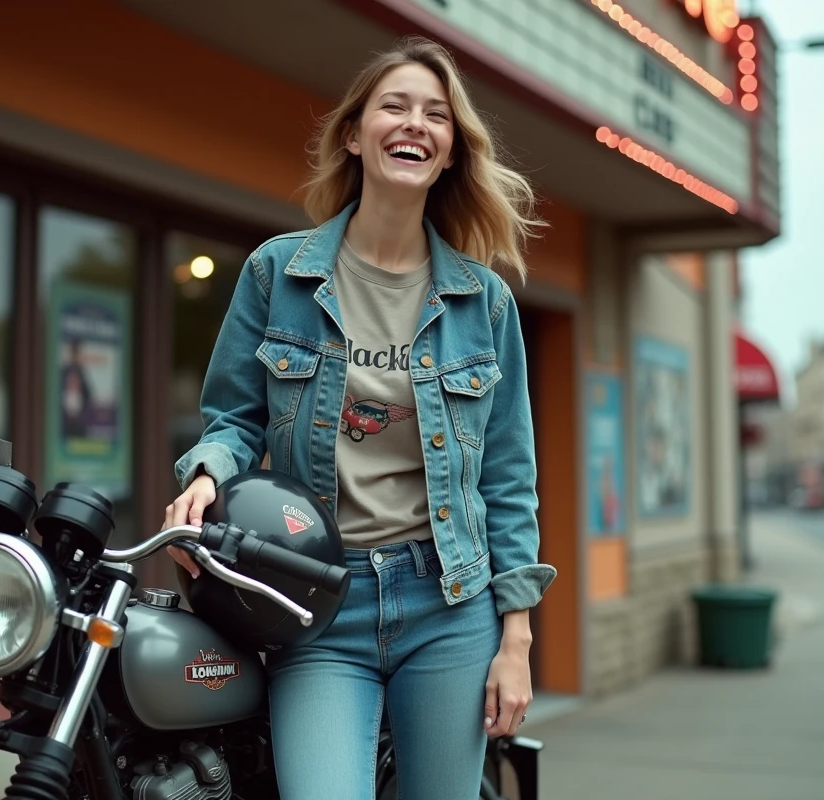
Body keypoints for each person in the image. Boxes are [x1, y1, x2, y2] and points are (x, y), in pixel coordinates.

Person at [165, 35, 556, 799]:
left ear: (450, 153)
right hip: (319, 600)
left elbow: (508, 478)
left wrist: (517, 639)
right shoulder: (278, 274)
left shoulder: (485, 302)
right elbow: (234, 419)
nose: (416, 124)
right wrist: (207, 474)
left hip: (449, 603)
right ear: (355, 133)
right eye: (396, 106)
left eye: (436, 115)